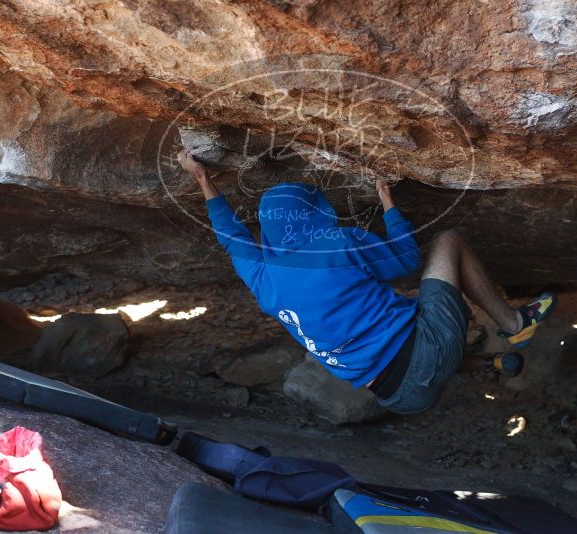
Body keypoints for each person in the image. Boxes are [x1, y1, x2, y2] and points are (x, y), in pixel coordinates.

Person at [177, 149, 556, 414]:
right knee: (447, 242)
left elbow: (231, 236)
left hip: (396, 400)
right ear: (316, 214)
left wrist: (203, 180)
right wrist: (389, 202)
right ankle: (515, 325)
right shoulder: (335, 243)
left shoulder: (260, 277)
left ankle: (484, 365)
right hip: (425, 356)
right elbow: (406, 259)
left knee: (381, 330)